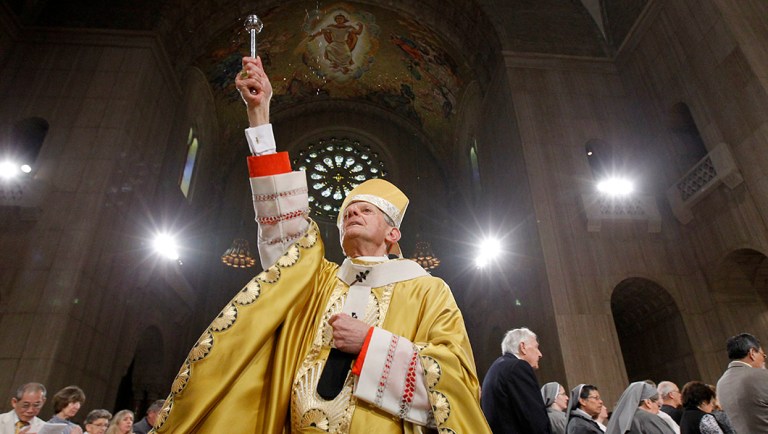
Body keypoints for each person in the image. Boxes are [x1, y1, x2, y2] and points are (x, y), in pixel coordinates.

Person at [152, 55, 490, 433]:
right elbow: (283, 222)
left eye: (366, 211)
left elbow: (456, 386)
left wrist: (371, 344)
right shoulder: (319, 283)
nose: (352, 215)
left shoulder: (427, 290)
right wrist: (260, 115)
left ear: (393, 234)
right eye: (347, 213)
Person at [481, 328, 550, 433]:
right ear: (523, 347)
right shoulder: (518, 367)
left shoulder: (498, 367)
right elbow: (533, 416)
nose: (540, 354)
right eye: (536, 347)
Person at [716, 332, 768, 433]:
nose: (763, 360)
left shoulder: (720, 384)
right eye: (763, 355)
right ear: (752, 353)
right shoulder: (761, 376)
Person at [605, 381, 675, 434]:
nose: (658, 411)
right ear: (648, 402)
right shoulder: (648, 418)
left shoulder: (621, 422)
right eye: (658, 405)